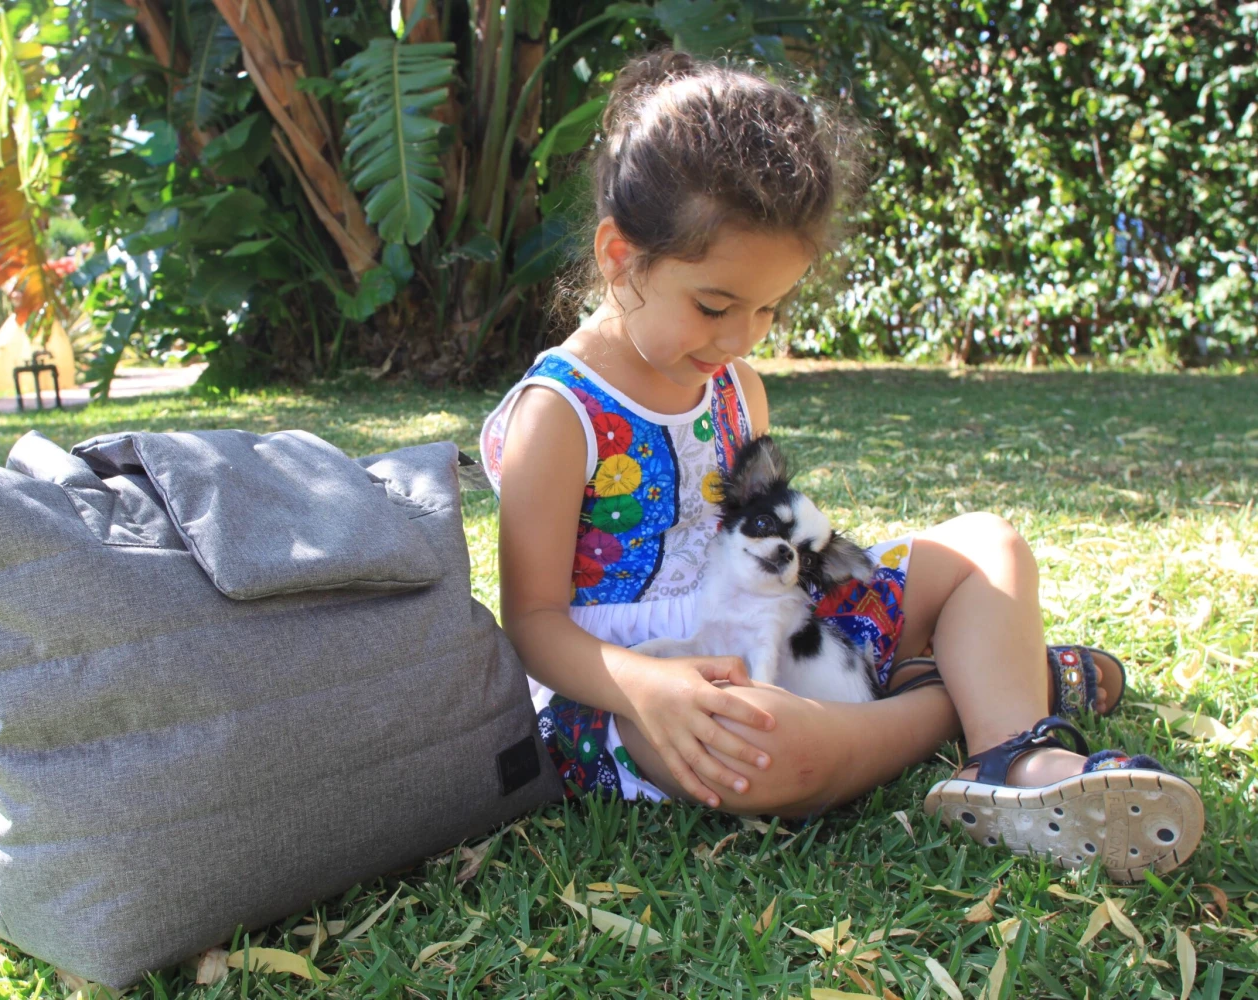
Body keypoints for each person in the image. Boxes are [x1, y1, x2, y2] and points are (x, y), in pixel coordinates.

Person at [479, 50, 1202, 882]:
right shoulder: (559, 415)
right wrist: (648, 688)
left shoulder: (736, 385)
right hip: (654, 698)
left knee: (989, 547)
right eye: (714, 305)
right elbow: (533, 625)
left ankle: (1017, 758)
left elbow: (774, 558)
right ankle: (970, 693)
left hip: (784, 630)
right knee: (763, 755)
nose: (741, 337)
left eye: (768, 307)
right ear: (619, 255)